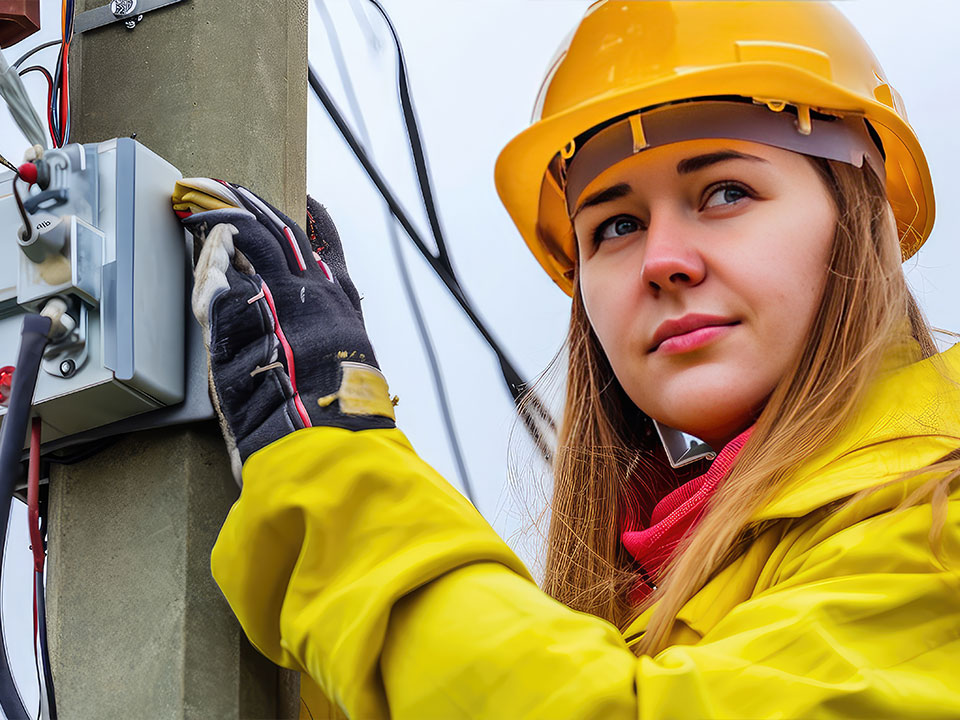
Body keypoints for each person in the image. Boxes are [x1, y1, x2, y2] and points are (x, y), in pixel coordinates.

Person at [171, 2, 959, 718]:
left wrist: (332, 470)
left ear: (858, 217)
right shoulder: (643, 602)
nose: (663, 260)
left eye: (725, 192)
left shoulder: (938, 519)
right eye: (615, 226)